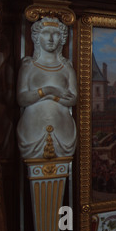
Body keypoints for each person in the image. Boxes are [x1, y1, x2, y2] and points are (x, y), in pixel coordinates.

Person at [16, 17, 77, 159]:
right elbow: (21, 98)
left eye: (55, 34)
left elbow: (73, 99)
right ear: (37, 37)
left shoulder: (66, 67)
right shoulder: (28, 65)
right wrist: (49, 91)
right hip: (33, 129)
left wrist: (51, 97)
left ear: (61, 38)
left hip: (62, 128)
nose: (50, 39)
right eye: (46, 33)